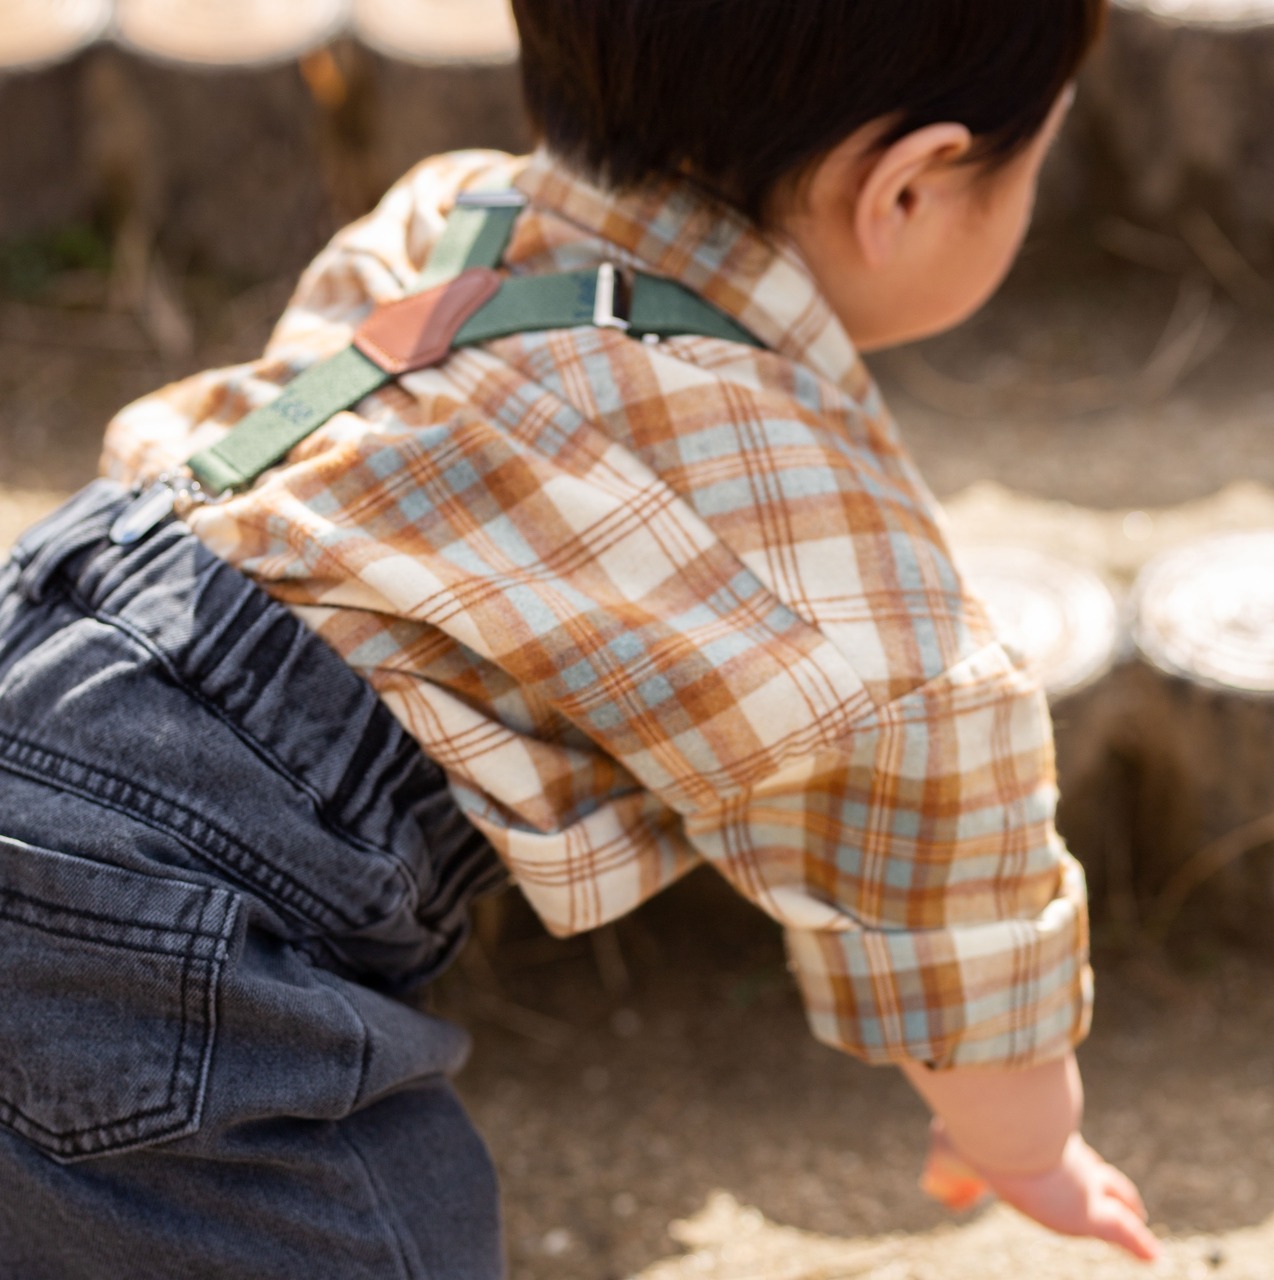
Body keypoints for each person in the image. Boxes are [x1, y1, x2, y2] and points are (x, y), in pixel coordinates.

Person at [0, 0, 1161, 1274]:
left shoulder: (453, 213)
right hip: (161, 888)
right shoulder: (800, 501)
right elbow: (948, 856)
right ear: (910, 189)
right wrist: (1026, 1141)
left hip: (50, 638)